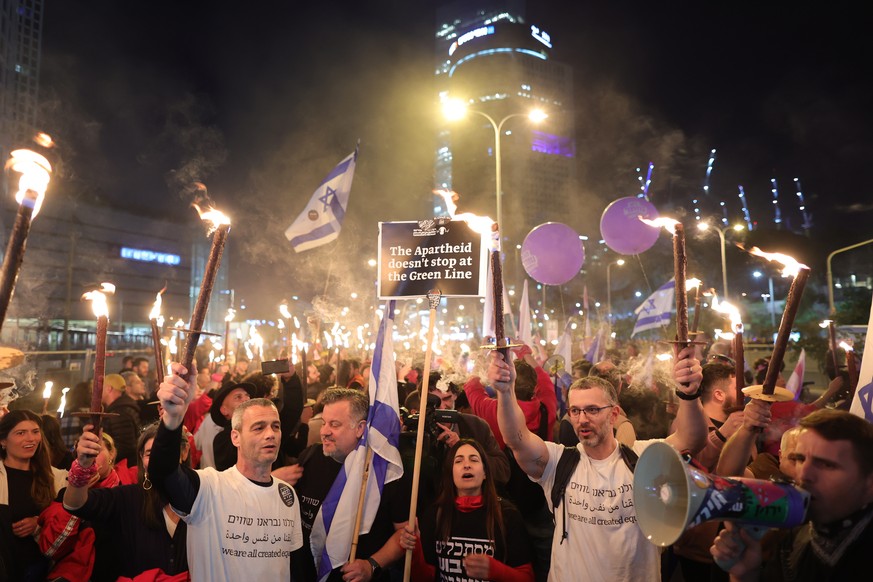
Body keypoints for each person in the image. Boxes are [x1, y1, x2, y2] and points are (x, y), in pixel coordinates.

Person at [487, 346, 708, 582]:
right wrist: (505, 391)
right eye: (575, 411)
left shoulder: (644, 458)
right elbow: (516, 438)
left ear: (613, 414)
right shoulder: (558, 463)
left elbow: (691, 438)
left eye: (592, 410)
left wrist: (689, 394)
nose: (582, 419)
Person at [148, 362, 304, 582]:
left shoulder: (287, 494)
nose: (271, 434)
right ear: (235, 437)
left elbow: (294, 566)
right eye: (259, 427)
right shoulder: (209, 488)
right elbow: (162, 473)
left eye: (275, 427)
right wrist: (172, 419)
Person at [710, 408, 873, 581]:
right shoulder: (797, 536)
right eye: (800, 459)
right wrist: (745, 574)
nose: (803, 474)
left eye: (827, 465)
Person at [292, 387, 407, 581]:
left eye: (335, 425)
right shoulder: (309, 457)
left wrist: (372, 564)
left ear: (360, 428)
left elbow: (405, 533)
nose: (324, 432)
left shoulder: (386, 472)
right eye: (323, 423)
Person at [61, 422, 189, 581]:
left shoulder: (202, 497)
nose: (158, 459)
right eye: (149, 453)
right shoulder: (126, 498)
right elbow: (74, 504)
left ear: (184, 453)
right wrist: (82, 467)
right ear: (141, 459)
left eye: (167, 451)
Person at [401, 439, 535, 581]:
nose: (466, 465)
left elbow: (527, 578)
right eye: (458, 461)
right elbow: (425, 578)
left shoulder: (508, 515)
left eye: (474, 460)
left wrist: (495, 570)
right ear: (450, 474)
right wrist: (414, 552)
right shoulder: (434, 515)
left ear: (485, 473)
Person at [0, 410, 68, 581]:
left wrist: (38, 524)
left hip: (37, 569)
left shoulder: (56, 478)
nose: (30, 439)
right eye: (20, 433)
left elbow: (65, 525)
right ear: (3, 441)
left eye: (35, 432)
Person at [102, 372, 142, 467]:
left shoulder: (119, 412)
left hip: (125, 467)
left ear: (109, 388)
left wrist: (107, 456)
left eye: (101, 389)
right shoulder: (122, 408)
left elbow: (125, 446)